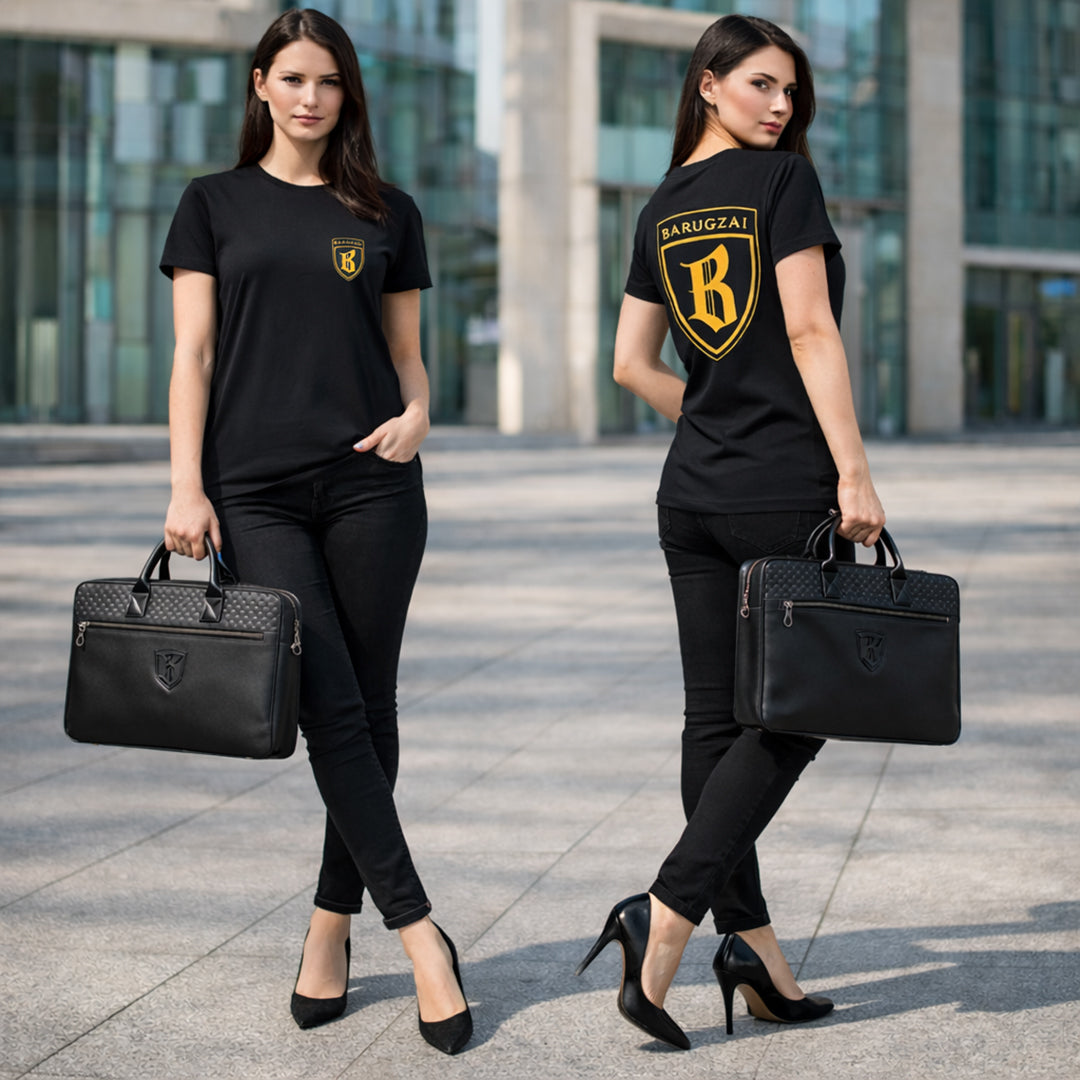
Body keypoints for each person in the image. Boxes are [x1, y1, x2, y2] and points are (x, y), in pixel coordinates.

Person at [159, 8, 471, 1055]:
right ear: (260, 83)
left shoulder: (387, 211)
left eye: (328, 81)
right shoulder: (212, 204)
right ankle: (420, 933)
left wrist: (419, 415)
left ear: (348, 95)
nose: (310, 97)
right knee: (327, 701)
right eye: (293, 77)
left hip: (374, 483)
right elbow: (194, 357)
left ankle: (331, 922)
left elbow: (407, 353)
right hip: (253, 491)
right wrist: (186, 488)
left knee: (368, 708)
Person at [575, 14, 885, 1050]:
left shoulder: (663, 202)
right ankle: (664, 913)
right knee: (801, 711)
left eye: (791, 91)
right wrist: (852, 468)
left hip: (692, 494)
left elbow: (629, 363)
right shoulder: (782, 182)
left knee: (714, 723)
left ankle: (756, 959)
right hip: (783, 489)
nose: (782, 107)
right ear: (707, 83)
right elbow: (807, 326)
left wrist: (709, 416)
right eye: (761, 85)